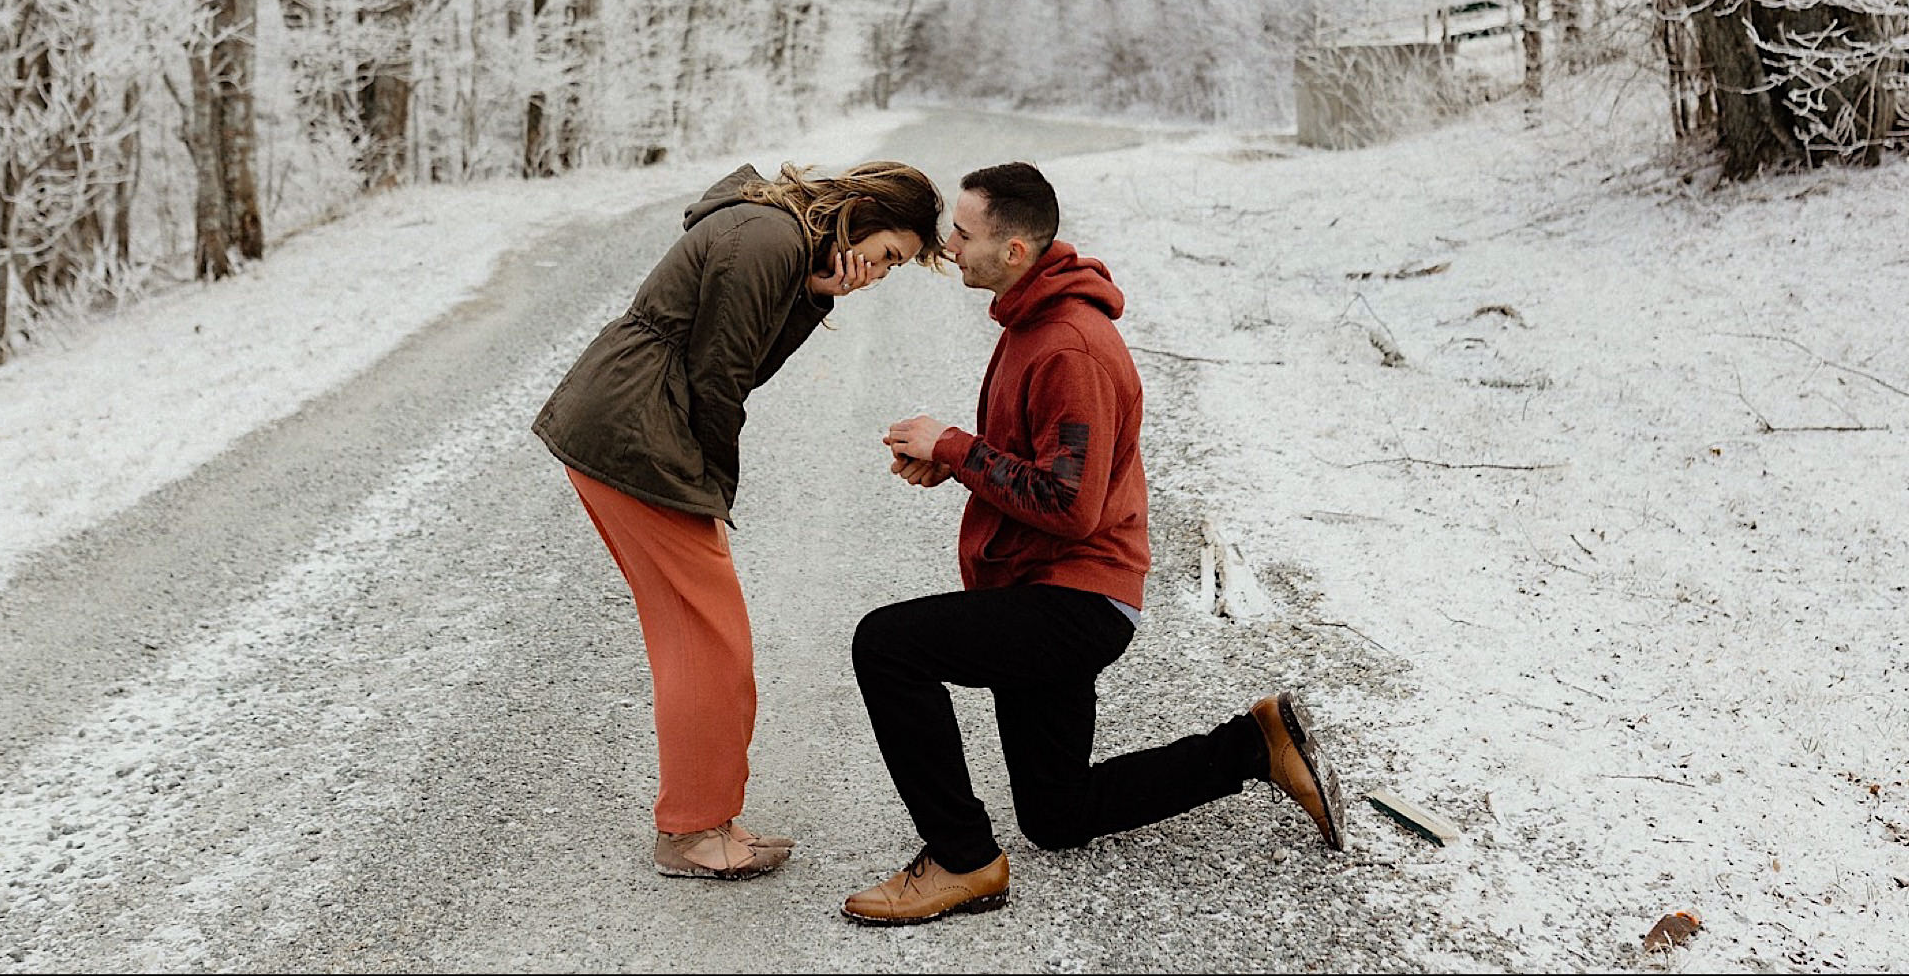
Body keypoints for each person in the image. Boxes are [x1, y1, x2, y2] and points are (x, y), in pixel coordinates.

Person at [841, 161, 1344, 926]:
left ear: (1015, 250)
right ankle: (1256, 744)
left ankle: (962, 859)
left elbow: (1069, 506)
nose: (949, 247)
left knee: (887, 645)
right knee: (1057, 812)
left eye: (964, 234)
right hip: (1044, 585)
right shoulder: (1032, 321)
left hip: (1075, 599)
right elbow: (1048, 467)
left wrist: (955, 446)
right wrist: (961, 463)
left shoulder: (1069, 346)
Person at [533, 159, 945, 881]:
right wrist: (711, 487)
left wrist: (816, 292)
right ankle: (693, 830)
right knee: (711, 642)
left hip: (629, 419)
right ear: (861, 214)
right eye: (887, 255)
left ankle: (705, 818)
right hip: (638, 428)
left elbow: (744, 360)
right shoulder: (767, 239)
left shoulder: (779, 239)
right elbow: (721, 379)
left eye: (891, 267)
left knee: (694, 634)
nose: (880, 273)